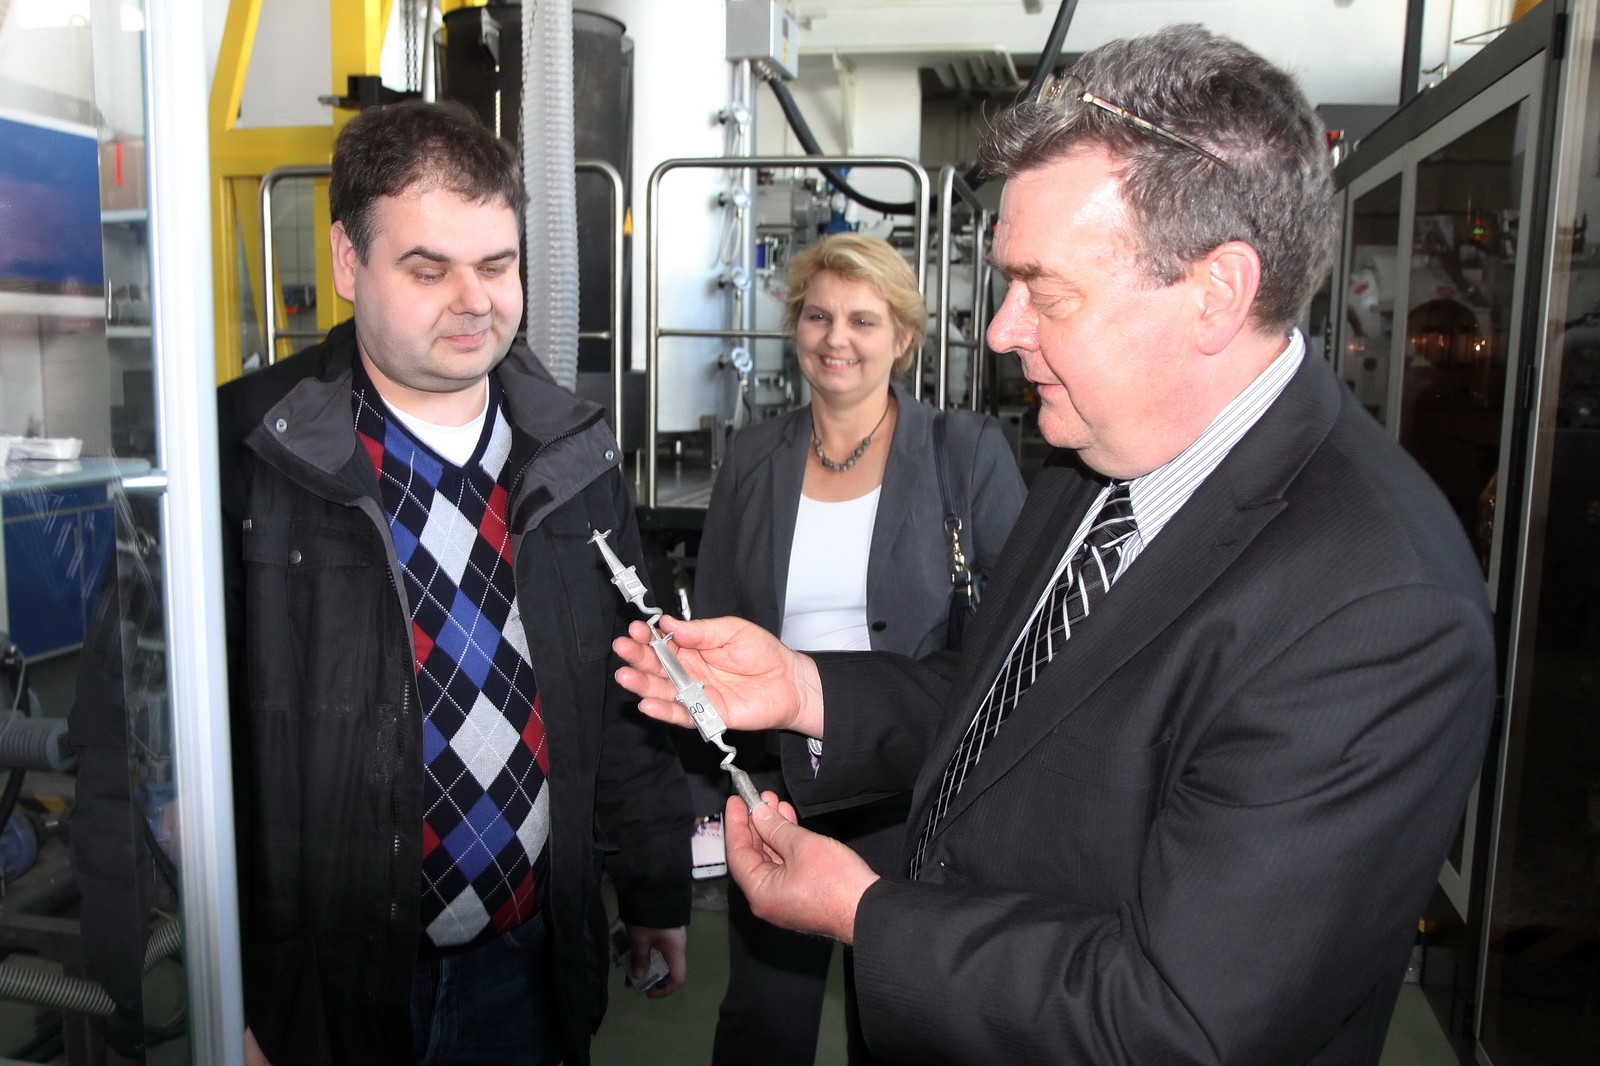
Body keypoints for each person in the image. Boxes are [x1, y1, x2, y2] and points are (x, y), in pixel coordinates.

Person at [615, 26, 1497, 1066]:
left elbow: (1182, 1024)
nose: (1000, 330)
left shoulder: (1377, 612)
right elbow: (1003, 706)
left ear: (1215, 292)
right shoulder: (1095, 458)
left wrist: (867, 913)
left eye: (1047, 291)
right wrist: (803, 688)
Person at [72, 100, 692, 1066]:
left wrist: (653, 887)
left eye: (496, 265)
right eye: (428, 269)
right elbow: (140, 752)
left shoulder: (571, 453)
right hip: (320, 993)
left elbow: (627, 691)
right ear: (347, 262)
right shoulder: (237, 459)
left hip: (525, 968)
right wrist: (219, 1000)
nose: (474, 301)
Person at [695, 233, 1025, 1066]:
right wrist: (703, 787)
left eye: (863, 320)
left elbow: (1020, 621)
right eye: (818, 317)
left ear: (903, 337)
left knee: (896, 1016)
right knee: (765, 1017)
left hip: (911, 781)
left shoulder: (964, 452)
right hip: (778, 781)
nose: (835, 338)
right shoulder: (753, 458)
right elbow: (715, 620)